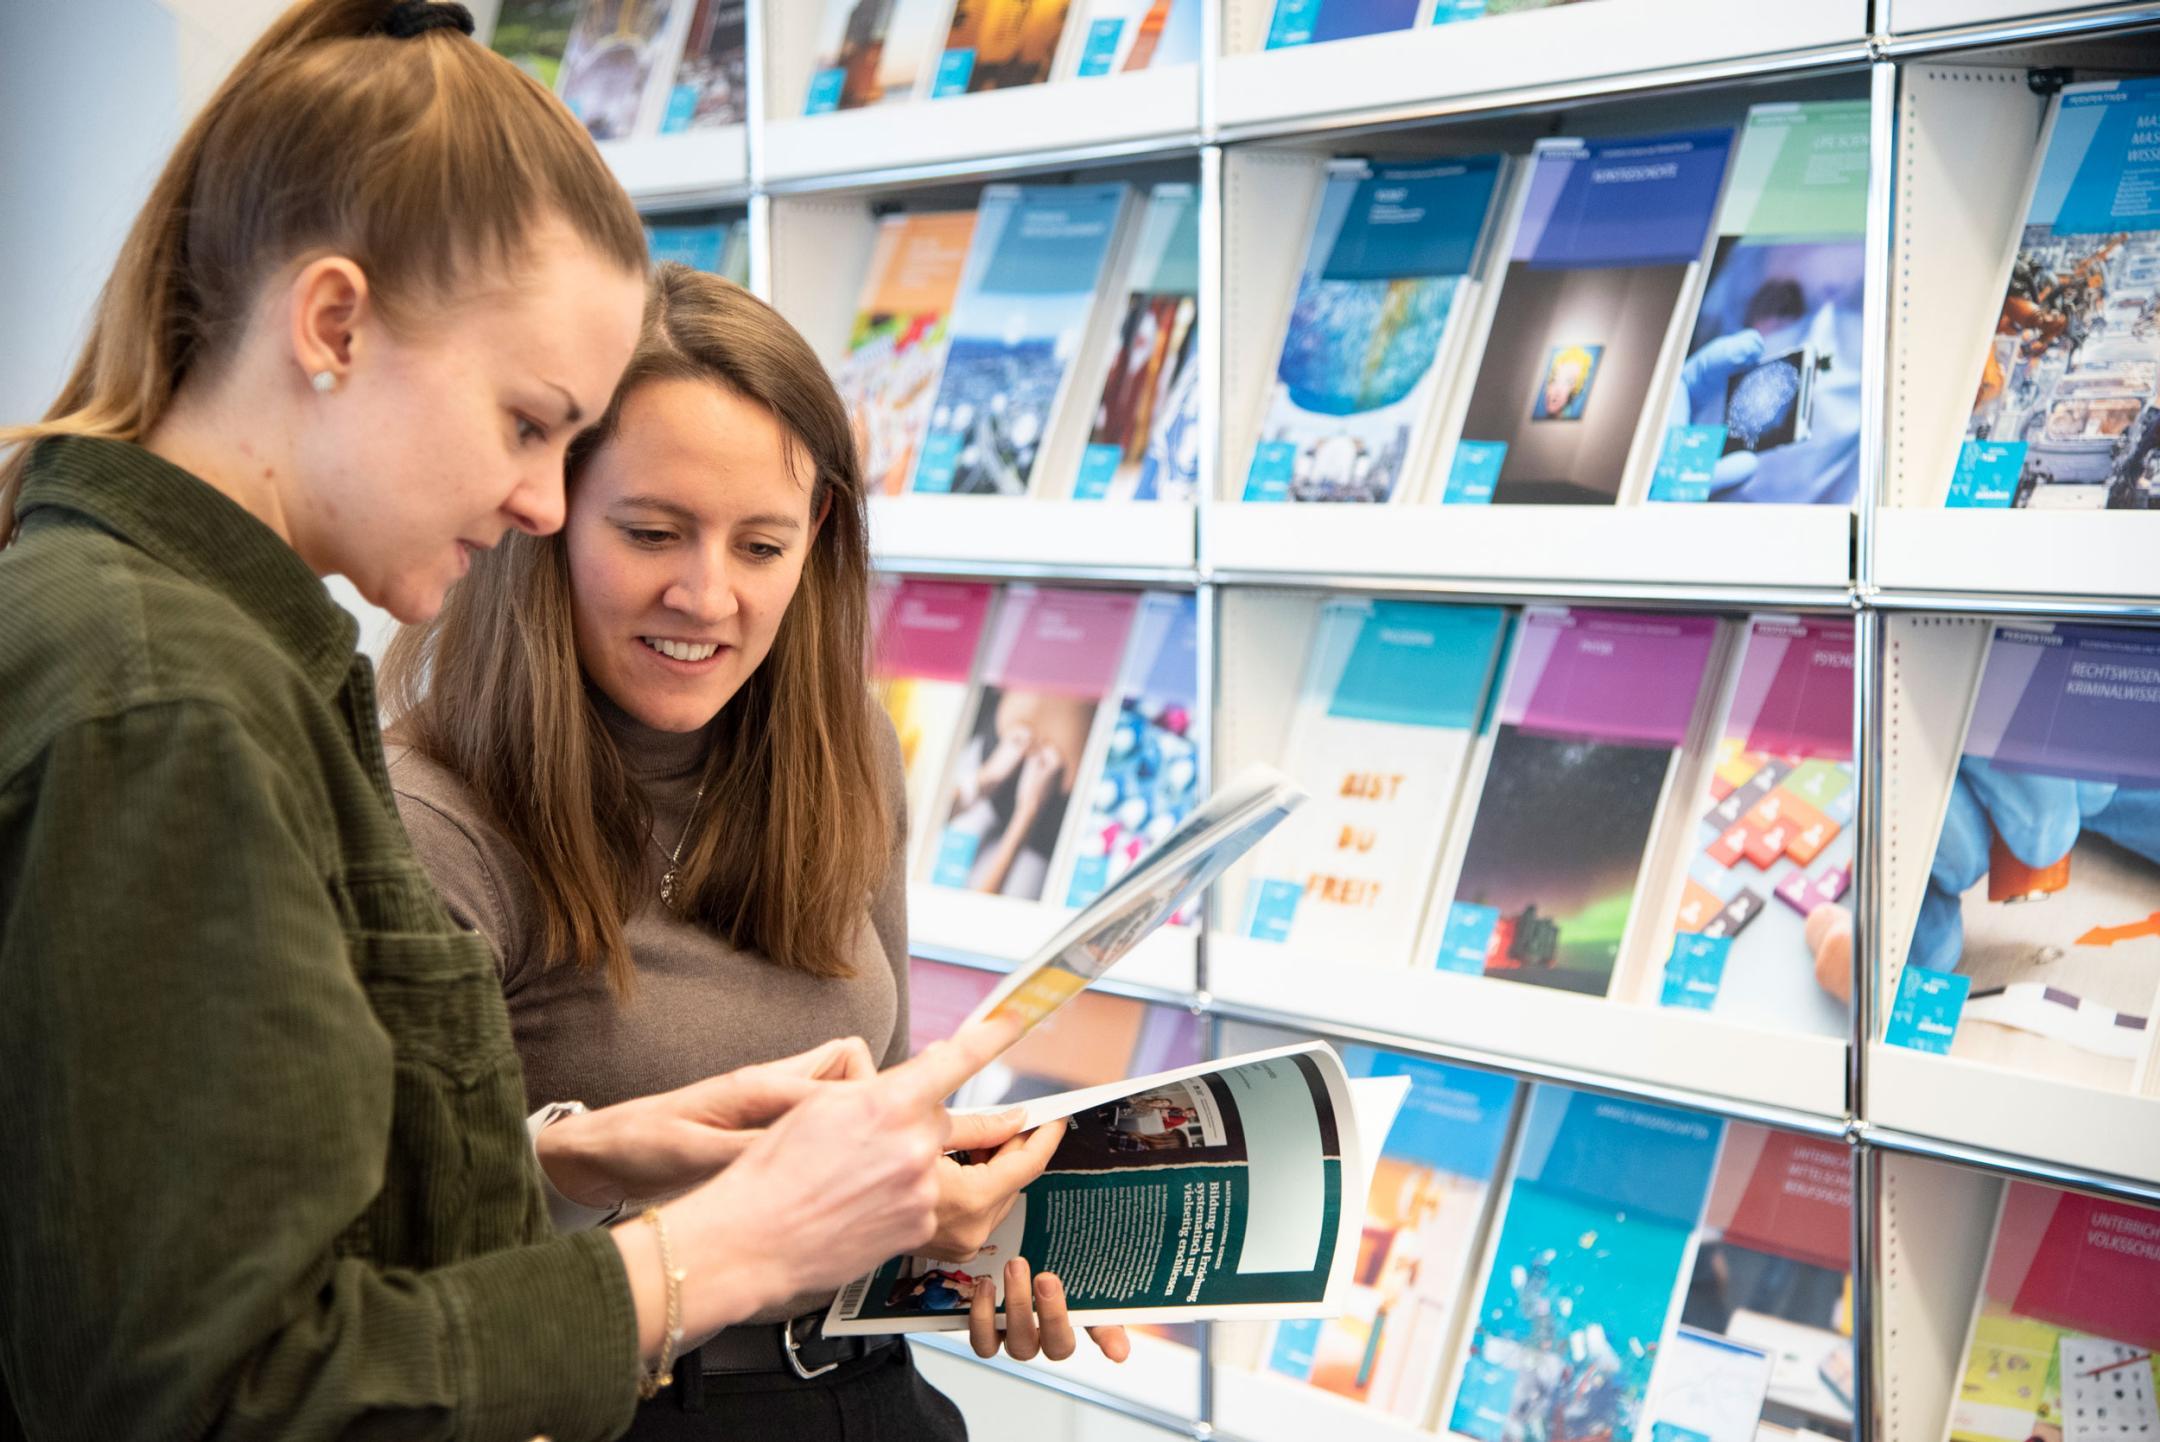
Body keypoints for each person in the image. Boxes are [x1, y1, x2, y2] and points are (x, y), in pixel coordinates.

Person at [0, 5, 1007, 1438]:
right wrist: (719, 1246)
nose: (542, 502)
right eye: (531, 425)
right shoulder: (168, 701)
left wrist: (592, 1155)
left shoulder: (204, 659)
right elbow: (225, 1383)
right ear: (334, 324)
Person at [380, 263, 1127, 1436]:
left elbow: (879, 1111)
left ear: (815, 535)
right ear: (546, 512)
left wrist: (970, 1244)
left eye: (762, 545)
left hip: (867, 1394)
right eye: (653, 531)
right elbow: (402, 1264)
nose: (707, 594)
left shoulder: (845, 753)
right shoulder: (427, 818)